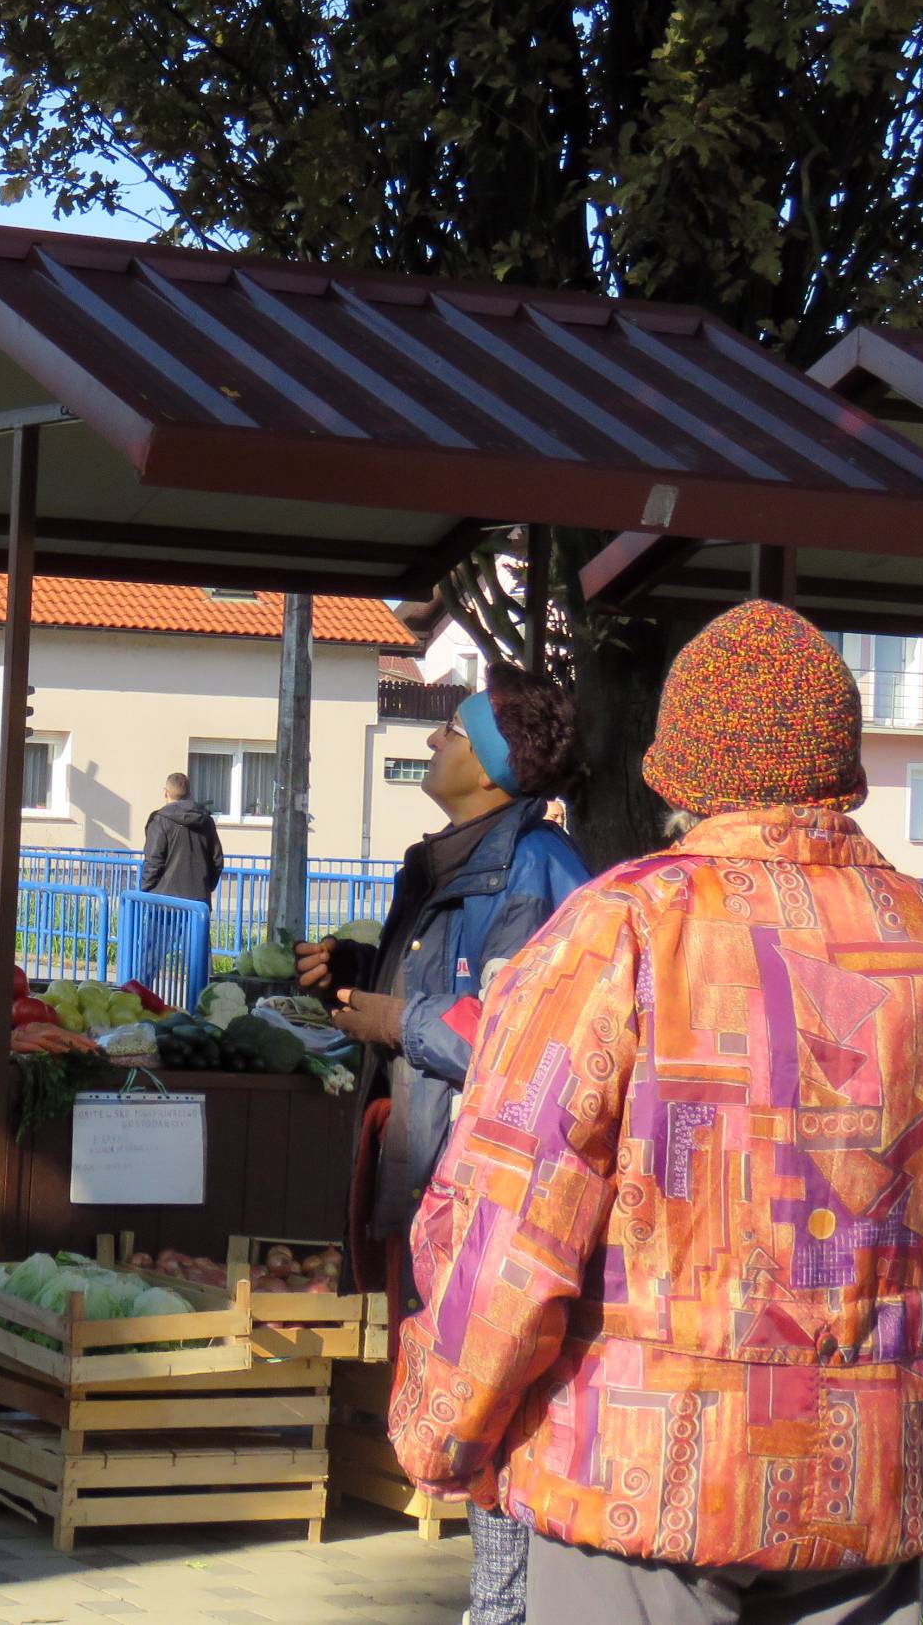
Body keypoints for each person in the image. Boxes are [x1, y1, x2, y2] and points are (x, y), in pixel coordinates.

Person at [392, 602, 923, 1625]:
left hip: (639, 1483)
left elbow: (512, 1215)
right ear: (837, 760)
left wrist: (441, 1426)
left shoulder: (621, 933)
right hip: (867, 1477)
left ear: (681, 767)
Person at [296, 661, 587, 1625]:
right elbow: (447, 982)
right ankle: (498, 1600)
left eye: (451, 730)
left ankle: (503, 1609)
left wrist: (396, 1017)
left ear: (496, 762)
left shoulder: (540, 874)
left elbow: (520, 1038)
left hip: (498, 1188)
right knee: (472, 1399)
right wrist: (357, 971)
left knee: (499, 1399)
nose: (434, 742)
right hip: (441, 1174)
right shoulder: (445, 861)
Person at [140, 771, 224, 904]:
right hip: (198, 902)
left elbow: (153, 861)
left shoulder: (159, 820)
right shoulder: (206, 820)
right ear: (189, 794)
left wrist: (144, 889)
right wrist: (206, 887)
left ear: (165, 792)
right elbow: (217, 861)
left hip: (164, 903)